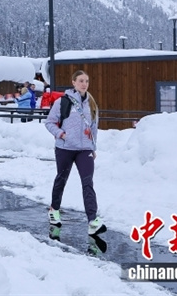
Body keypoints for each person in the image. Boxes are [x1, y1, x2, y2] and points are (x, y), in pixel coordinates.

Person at [44, 70, 106, 236]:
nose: (84, 84)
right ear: (73, 82)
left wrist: (93, 147)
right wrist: (61, 134)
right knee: (61, 179)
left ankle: (92, 220)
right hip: (65, 148)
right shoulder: (62, 101)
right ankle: (54, 210)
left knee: (88, 183)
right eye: (81, 81)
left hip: (84, 149)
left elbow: (94, 127)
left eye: (86, 81)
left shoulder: (91, 103)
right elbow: (49, 122)